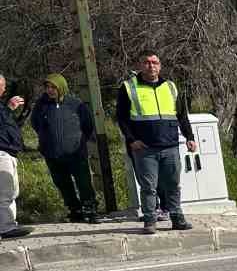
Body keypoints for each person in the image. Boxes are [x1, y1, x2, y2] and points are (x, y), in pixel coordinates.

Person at [115, 50, 196, 234]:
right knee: (148, 187)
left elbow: (182, 116)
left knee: (173, 185)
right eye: (146, 62)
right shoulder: (129, 87)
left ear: (160, 65)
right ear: (140, 65)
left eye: (154, 62)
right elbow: (121, 118)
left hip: (170, 145)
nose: (151, 66)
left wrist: (189, 137)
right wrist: (131, 140)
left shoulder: (170, 87)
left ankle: (177, 217)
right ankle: (150, 221)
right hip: (145, 148)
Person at [31, 75, 99, 224]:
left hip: (76, 153)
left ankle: (90, 208)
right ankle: (74, 209)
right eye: (47, 87)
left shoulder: (75, 104)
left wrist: (78, 142)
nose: (50, 90)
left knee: (83, 182)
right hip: (52, 153)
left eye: (53, 87)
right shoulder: (41, 105)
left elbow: (87, 126)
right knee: (62, 183)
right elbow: (35, 124)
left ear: (61, 87)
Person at [0, 73, 29, 239]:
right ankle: (6, 228)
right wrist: (9, 108)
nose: (4, 89)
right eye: (2, 86)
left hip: (8, 152)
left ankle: (9, 224)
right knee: (5, 192)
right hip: (2, 152)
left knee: (11, 191)